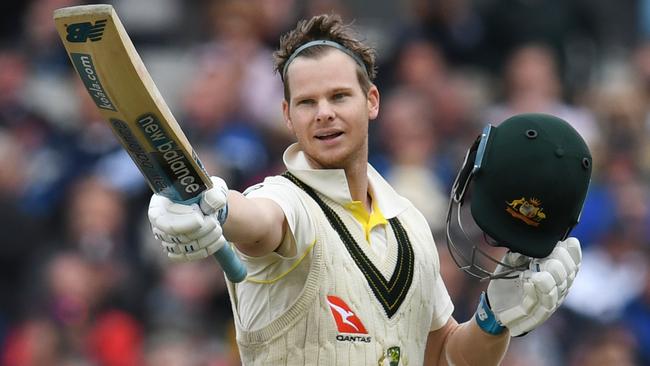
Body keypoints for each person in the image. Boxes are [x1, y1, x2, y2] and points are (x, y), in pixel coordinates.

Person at [148, 14, 584, 365]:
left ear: (371, 101)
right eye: (306, 102)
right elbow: (258, 220)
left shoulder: (410, 225)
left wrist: (492, 321)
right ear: (287, 115)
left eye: (339, 97)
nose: (323, 114)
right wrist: (219, 209)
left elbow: (445, 355)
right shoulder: (284, 201)